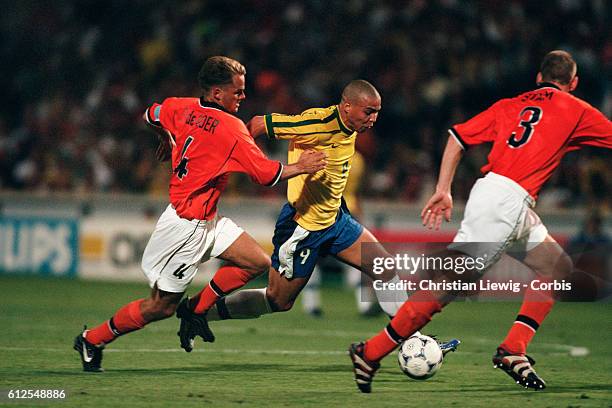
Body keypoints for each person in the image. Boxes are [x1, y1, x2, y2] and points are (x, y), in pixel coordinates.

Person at [348, 50, 612, 392]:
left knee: (556, 268)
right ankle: (370, 352)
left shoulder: (509, 105)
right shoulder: (576, 108)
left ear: (537, 77)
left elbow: (456, 138)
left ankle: (513, 349)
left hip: (500, 197)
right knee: (449, 285)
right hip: (505, 201)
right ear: (573, 83)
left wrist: (444, 188)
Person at [73, 56, 327, 372]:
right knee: (160, 307)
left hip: (207, 219)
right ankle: (92, 339)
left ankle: (197, 308)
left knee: (257, 262)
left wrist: (165, 137)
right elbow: (265, 175)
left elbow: (151, 113)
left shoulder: (180, 106)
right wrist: (302, 166)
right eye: (238, 91)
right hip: (185, 227)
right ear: (217, 93)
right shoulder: (231, 128)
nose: (243, 97)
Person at [176, 80, 460, 354]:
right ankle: (198, 312)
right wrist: (243, 164)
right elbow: (259, 123)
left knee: (384, 267)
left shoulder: (349, 126)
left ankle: (414, 341)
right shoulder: (318, 124)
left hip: (335, 221)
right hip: (302, 227)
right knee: (278, 300)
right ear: (346, 106)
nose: (373, 119)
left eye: (377, 112)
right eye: (368, 112)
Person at [301, 150, 381, 317]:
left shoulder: (321, 153)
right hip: (349, 210)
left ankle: (311, 305)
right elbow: (358, 190)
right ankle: (364, 305)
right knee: (357, 259)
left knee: (313, 259)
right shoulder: (358, 159)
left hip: (321, 211)